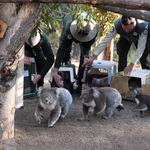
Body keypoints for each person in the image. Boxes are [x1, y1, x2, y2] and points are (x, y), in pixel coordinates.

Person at [83, 16, 150, 76]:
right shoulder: (116, 25)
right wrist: (93, 57)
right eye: (124, 29)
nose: (126, 31)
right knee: (121, 54)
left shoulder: (143, 26)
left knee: (144, 57)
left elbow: (141, 47)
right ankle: (121, 77)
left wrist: (132, 64)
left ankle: (147, 78)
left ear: (134, 23)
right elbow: (105, 41)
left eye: (129, 29)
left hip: (139, 37)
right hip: (124, 38)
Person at [53, 12, 99, 91]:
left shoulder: (94, 30)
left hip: (86, 35)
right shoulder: (68, 27)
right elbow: (61, 50)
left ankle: (80, 82)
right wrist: (55, 71)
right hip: (70, 28)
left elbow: (86, 48)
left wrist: (86, 57)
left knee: (84, 59)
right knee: (66, 52)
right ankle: (65, 75)